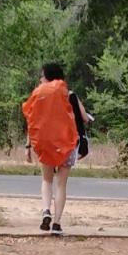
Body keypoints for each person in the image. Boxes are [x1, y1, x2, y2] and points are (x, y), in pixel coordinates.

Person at [21, 62, 89, 236]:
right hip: (67, 143)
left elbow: (32, 121)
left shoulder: (39, 95)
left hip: (47, 144)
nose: (40, 79)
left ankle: (45, 211)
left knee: (47, 180)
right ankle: (57, 223)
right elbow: (84, 119)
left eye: (42, 76)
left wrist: (28, 146)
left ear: (47, 77)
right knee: (61, 184)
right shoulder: (69, 94)